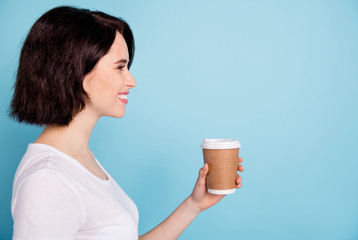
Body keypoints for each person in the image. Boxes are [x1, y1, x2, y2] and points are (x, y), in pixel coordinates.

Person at [9, 6, 244, 240]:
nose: (131, 81)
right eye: (120, 67)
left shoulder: (80, 161)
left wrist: (194, 205)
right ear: (75, 71)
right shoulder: (47, 181)